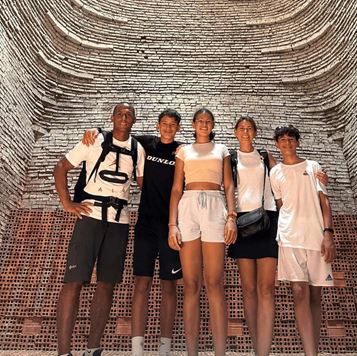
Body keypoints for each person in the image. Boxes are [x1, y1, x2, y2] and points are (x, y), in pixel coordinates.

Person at [82, 109, 183, 356]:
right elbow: (119, 132)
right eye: (165, 124)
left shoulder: (183, 151)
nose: (168, 128)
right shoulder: (145, 144)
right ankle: (137, 349)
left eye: (173, 125)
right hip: (145, 225)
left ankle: (164, 349)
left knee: (169, 286)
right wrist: (95, 130)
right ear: (158, 126)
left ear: (178, 128)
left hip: (171, 225)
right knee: (141, 283)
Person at [54, 103, 145, 356]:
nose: (124, 118)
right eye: (119, 114)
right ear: (112, 117)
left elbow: (145, 181)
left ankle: (93, 348)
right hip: (90, 215)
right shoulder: (94, 140)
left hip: (120, 221)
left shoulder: (138, 149)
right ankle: (64, 352)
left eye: (129, 115)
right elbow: (61, 167)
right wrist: (67, 203)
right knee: (74, 281)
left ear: (134, 120)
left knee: (107, 284)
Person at [168, 108, 237, 356]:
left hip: (215, 205)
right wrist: (172, 224)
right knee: (190, 284)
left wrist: (231, 217)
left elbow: (229, 185)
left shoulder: (222, 150)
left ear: (212, 124)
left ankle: (220, 352)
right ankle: (191, 352)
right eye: (200, 121)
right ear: (194, 124)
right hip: (188, 205)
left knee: (215, 282)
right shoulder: (184, 151)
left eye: (208, 121)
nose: (204, 124)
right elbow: (176, 188)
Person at [269, 125, 336, 356]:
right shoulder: (274, 172)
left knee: (316, 294)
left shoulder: (313, 166)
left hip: (316, 237)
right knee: (299, 291)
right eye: (282, 140)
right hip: (289, 237)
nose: (286, 143)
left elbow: (324, 202)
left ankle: (312, 349)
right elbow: (280, 206)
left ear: (297, 142)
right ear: (277, 144)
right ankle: (310, 352)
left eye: (291, 139)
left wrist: (328, 233)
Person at [227, 116, 278, 356]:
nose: (246, 132)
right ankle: (257, 346)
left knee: (266, 288)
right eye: (242, 128)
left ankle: (264, 351)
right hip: (243, 223)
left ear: (255, 132)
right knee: (248, 288)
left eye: (250, 128)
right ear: (236, 132)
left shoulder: (266, 156)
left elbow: (281, 182)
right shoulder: (231, 158)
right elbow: (226, 190)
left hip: (268, 219)